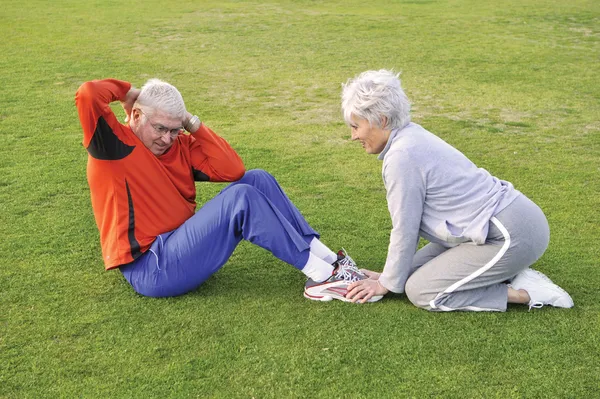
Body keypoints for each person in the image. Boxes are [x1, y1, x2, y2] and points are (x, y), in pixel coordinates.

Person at [75, 78, 379, 301]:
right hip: (151, 267)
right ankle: (323, 278)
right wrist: (130, 93)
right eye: (160, 129)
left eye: (174, 129)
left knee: (257, 179)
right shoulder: (113, 146)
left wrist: (191, 123)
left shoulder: (178, 145)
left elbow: (232, 169)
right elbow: (88, 93)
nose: (168, 138)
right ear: (137, 116)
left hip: (179, 247)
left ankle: (332, 263)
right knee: (241, 198)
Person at [340, 69, 574, 311]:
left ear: (382, 120)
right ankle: (506, 272)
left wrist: (386, 284)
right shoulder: (410, 136)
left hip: (512, 234)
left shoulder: (401, 156)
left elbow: (405, 228)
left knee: (420, 290)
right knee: (409, 273)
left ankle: (527, 293)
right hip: (492, 228)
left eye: (356, 126)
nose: (353, 136)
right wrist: (388, 276)